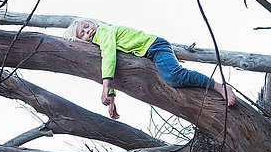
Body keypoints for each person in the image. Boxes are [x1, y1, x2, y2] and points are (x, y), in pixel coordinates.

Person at [63, 18, 237, 119]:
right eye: (83, 34)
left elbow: (109, 56)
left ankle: (219, 86)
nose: (88, 32)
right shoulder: (100, 42)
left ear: (92, 22)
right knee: (167, 80)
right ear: (82, 40)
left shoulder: (103, 32)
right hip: (150, 53)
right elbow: (113, 65)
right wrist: (112, 99)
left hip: (155, 46)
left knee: (174, 76)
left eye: (86, 26)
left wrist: (105, 86)